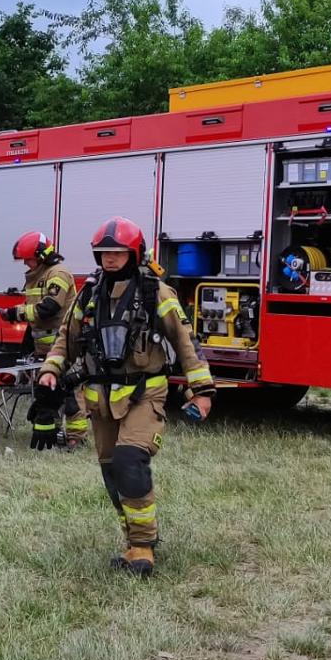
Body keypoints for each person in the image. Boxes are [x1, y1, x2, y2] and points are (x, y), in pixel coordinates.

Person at [38, 216, 214, 577]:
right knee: (111, 471)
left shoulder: (156, 294)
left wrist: (202, 390)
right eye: (103, 253)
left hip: (144, 393)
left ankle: (144, 547)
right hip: (100, 397)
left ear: (134, 253)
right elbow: (65, 340)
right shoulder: (88, 294)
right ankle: (132, 540)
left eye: (117, 252)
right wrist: (50, 371)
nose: (110, 259)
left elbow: (185, 342)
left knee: (130, 461)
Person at [0, 231, 88, 449]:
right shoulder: (36, 277)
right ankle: (54, 435)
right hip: (42, 350)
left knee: (70, 396)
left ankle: (77, 438)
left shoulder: (58, 274)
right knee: (49, 394)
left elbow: (49, 308)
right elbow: (35, 322)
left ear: (42, 255)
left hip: (64, 347)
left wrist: (15, 313)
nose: (26, 264)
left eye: (28, 259)